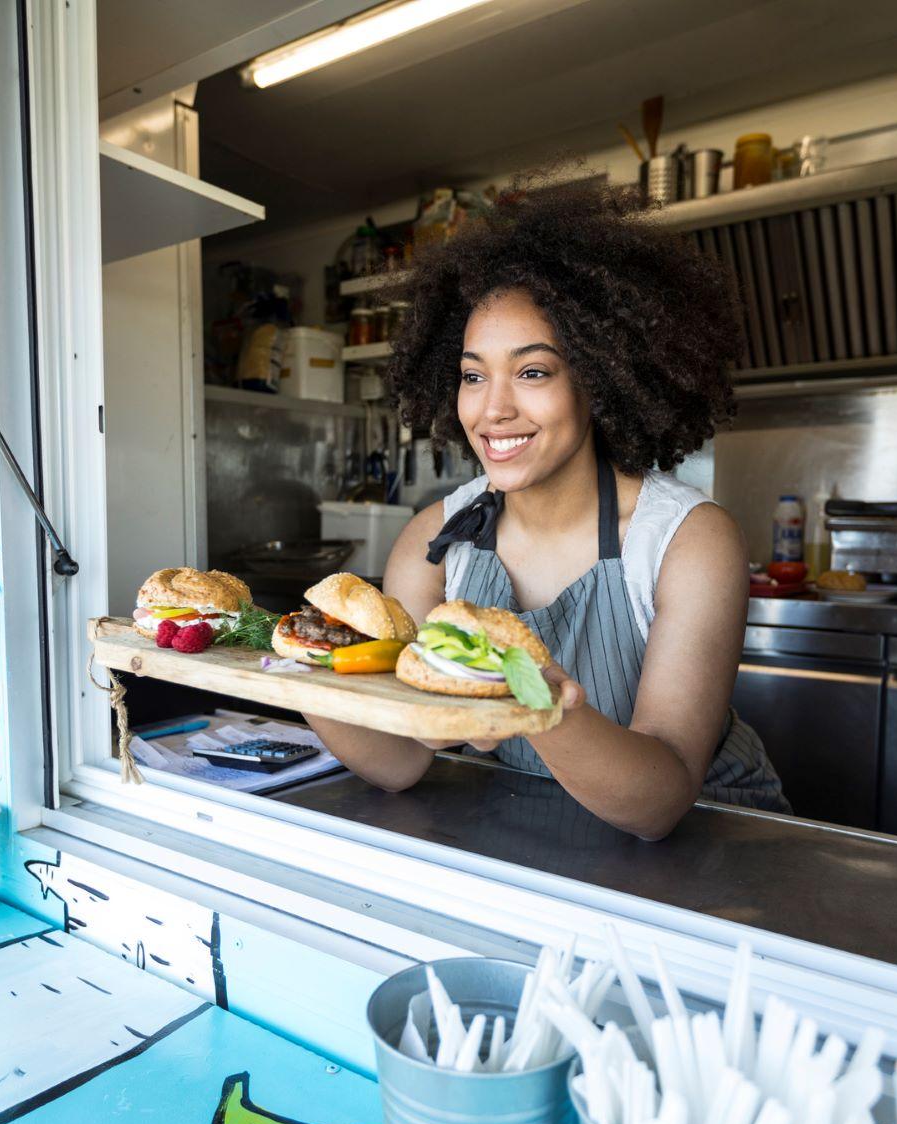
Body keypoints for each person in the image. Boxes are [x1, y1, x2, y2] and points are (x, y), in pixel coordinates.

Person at [307, 180, 785, 839]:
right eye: (473, 375)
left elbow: (660, 801)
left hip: (711, 850)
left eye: (532, 372)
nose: (492, 409)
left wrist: (533, 698)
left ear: (601, 376)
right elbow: (400, 759)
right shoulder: (435, 540)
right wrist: (301, 675)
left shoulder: (686, 540)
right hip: (532, 833)